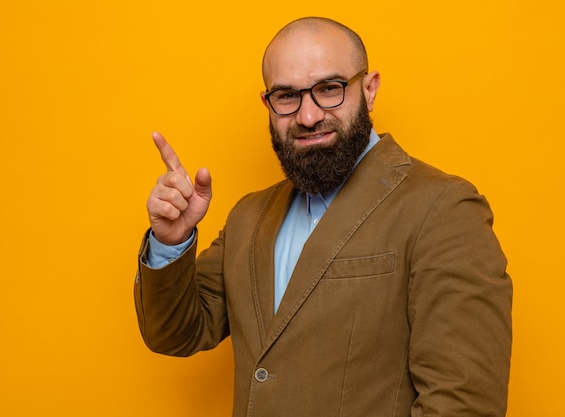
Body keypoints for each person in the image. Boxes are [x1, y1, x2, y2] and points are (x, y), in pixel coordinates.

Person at [134, 16, 512, 417]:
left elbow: (465, 403)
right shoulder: (249, 216)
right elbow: (176, 334)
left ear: (369, 90)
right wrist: (171, 242)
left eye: (329, 89)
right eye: (286, 95)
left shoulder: (443, 209)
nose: (308, 116)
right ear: (268, 103)